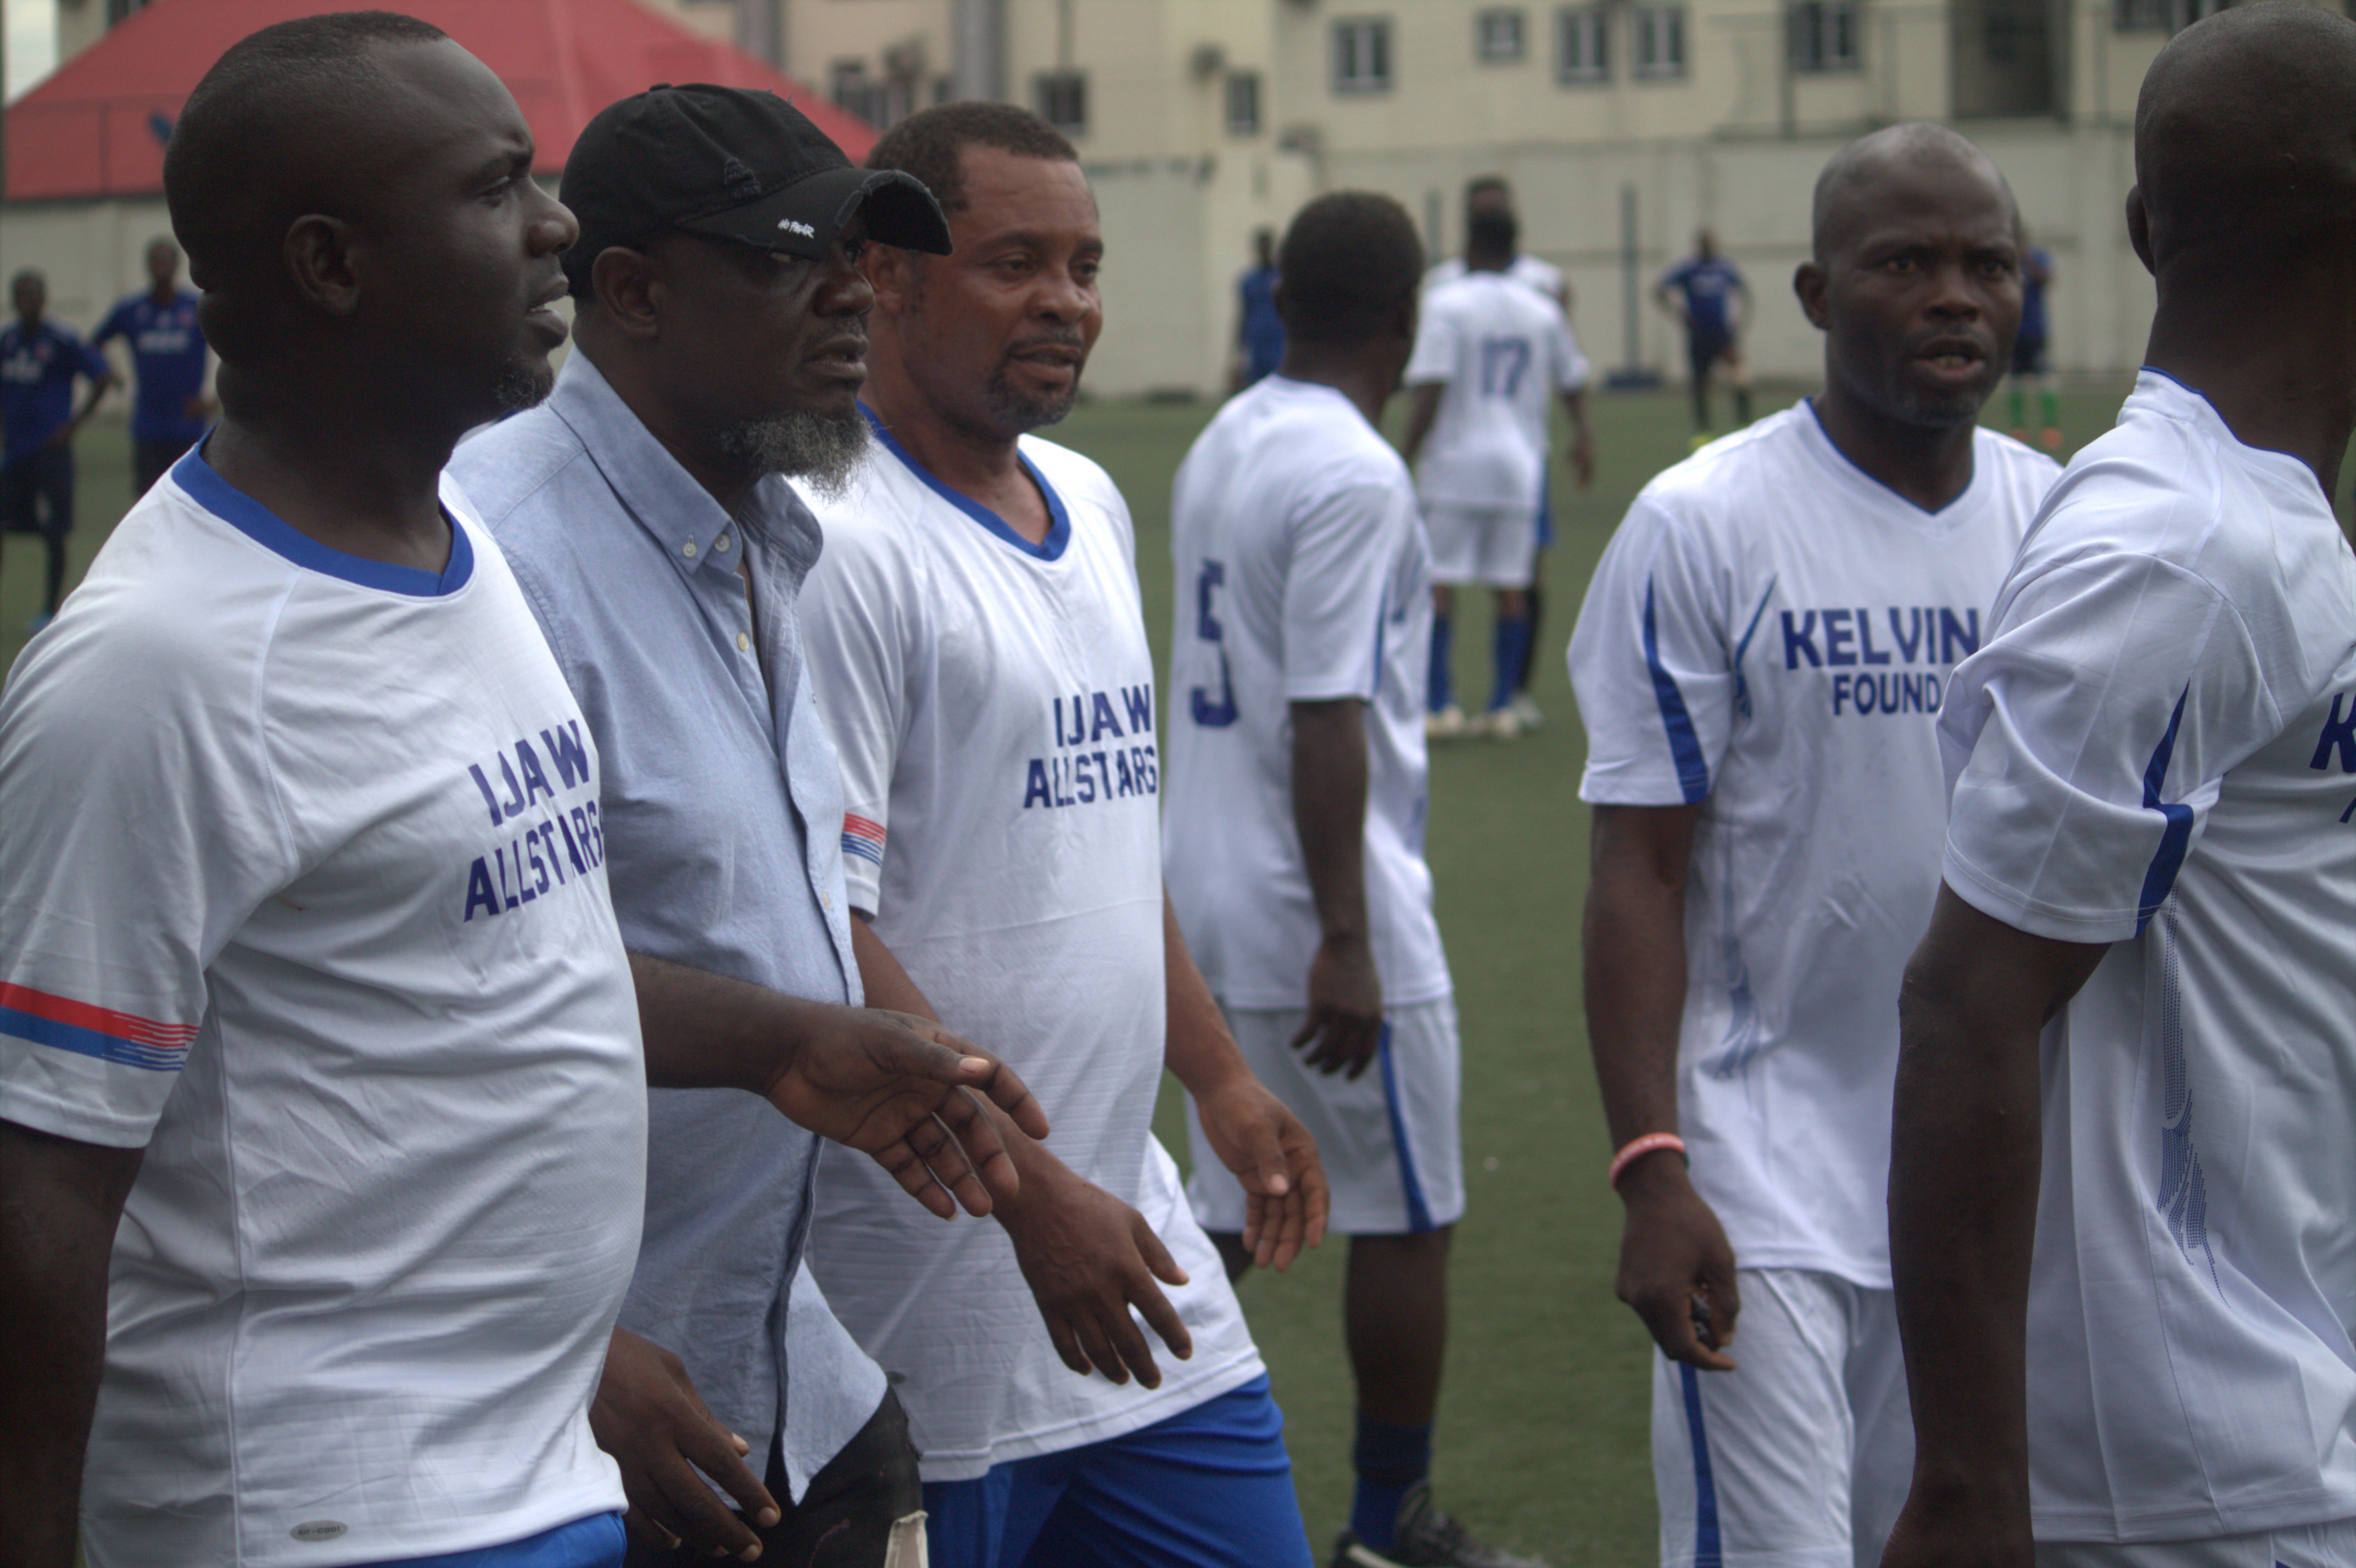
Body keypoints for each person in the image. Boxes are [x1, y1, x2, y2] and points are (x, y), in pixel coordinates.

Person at [0, 20, 1040, 1568]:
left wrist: (790, 1043)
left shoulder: (452, 563)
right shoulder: (156, 667)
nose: (556, 224)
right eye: (497, 191)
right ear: (331, 262)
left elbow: (490, 967)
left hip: (530, 1474)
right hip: (323, 1512)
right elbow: (46, 1188)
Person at [448, 83, 1008, 1568]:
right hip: (586, 1401)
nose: (856, 300)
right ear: (629, 290)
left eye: (866, 260)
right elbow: (425, 1006)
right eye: (792, 259)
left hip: (779, 1362)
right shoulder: (494, 560)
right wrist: (569, 1346)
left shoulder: (769, 529)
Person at [796, 102, 1330, 1568]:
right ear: (886, 275)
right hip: (937, 1302)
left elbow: (1098, 847)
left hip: (1134, 1264)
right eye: (1016, 261)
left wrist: (1216, 1077)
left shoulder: (1088, 503)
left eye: (1085, 265)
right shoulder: (834, 539)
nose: (1068, 303)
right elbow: (815, 925)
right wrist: (1027, 1200)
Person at [1885, 9, 2356, 1568]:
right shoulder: (2180, 553)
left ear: (2145, 229)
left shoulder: (2257, 527)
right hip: (2189, 1467)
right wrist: (1964, 1493)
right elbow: (1967, 1005)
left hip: (2277, 1387)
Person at [1568, 123, 2057, 1568]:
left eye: (1986, 265)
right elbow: (1638, 867)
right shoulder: (1700, 524)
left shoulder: (2065, 530)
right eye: (1904, 263)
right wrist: (1653, 1168)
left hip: (1978, 1183)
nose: (1953, 296)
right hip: (1757, 1183)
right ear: (1815, 294)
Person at [1165, 191, 1543, 1568]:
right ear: (1406, 315)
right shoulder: (1353, 471)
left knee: (1217, 1213)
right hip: (1311, 904)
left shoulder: (1226, 437)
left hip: (1199, 894)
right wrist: (1347, 936)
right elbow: (1325, 713)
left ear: (1281, 297)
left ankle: (1107, 1478)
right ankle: (1390, 1529)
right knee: (1407, 1216)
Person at [1402, 204, 1592, 742]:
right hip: (1519, 464)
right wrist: (1585, 436)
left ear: (1469, 241)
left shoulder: (1445, 302)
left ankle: (1442, 705)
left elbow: (1431, 386)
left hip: (1456, 462)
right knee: (1513, 584)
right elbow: (1573, 378)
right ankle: (1504, 705)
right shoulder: (1541, 308)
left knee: (1439, 584)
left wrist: (1405, 452)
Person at [1, 268, 117, 632]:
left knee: (55, 532)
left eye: (34, 294)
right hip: (14, 456)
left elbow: (101, 376)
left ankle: (49, 611)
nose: (28, 301)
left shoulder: (62, 339)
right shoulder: (7, 341)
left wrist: (74, 424)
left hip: (51, 455)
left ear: (45, 298)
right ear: (13, 300)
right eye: (21, 295)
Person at [92, 238, 214, 495]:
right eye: (155, 261)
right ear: (147, 266)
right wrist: (112, 374)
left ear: (177, 265)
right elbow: (94, 343)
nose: (160, 267)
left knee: (192, 499)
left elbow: (236, 347)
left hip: (187, 423)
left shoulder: (196, 308)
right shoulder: (131, 310)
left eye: (165, 261)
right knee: (148, 497)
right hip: (148, 423)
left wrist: (215, 400)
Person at [1656, 231, 1751, 441]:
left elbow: (1743, 291)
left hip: (1722, 334)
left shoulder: (1724, 268)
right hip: (1699, 335)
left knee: (1740, 378)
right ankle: (1703, 432)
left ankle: (1744, 424)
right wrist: (1680, 315)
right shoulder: (1689, 270)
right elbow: (1660, 289)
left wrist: (1740, 321)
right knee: (1700, 385)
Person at [2006, 229, 2060, 451]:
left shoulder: (2036, 258)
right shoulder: (2008, 262)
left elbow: (2046, 279)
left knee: (2044, 377)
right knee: (2015, 380)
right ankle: (2018, 428)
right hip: (2014, 331)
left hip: (2036, 331)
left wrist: (2026, 258)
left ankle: (2050, 427)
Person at [1236, 227, 1285, 390]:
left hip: (1279, 343)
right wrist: (1240, 349)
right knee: (1256, 390)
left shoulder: (1282, 278)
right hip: (1257, 344)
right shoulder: (1249, 281)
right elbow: (1244, 315)